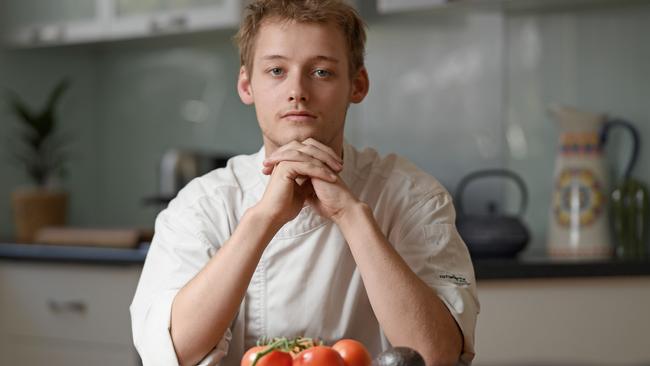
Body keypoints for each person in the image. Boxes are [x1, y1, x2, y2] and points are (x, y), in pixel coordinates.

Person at [130, 1, 479, 365]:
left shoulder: (415, 197)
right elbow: (174, 351)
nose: (297, 90)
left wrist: (350, 214)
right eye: (277, 70)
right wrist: (263, 218)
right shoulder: (202, 204)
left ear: (357, 85)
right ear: (247, 85)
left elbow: (436, 355)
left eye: (322, 72)